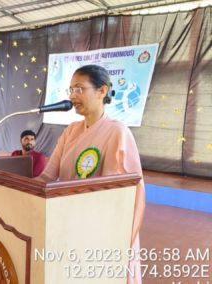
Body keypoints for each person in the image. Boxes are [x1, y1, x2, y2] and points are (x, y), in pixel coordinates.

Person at [38, 65, 145, 283]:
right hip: (68, 224)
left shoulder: (118, 132)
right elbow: (48, 175)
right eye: (70, 90)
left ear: (102, 91)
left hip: (100, 230)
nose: (72, 96)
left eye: (79, 89)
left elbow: (121, 197)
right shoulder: (71, 130)